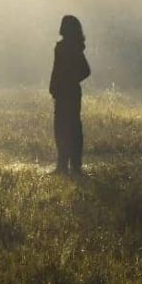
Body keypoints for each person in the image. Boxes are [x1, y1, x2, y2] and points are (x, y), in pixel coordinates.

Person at [49, 14, 91, 175]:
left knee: (61, 127)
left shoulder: (62, 47)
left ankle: (63, 165)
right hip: (72, 92)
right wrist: (71, 81)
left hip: (64, 92)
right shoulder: (76, 47)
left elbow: (56, 70)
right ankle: (74, 165)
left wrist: (57, 85)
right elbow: (85, 71)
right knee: (74, 127)